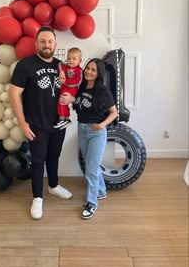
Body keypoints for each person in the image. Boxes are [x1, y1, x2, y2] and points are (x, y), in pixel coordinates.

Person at [9, 26, 74, 220]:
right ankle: (37, 197)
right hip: (36, 124)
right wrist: (22, 123)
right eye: (43, 41)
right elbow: (14, 93)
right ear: (36, 44)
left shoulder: (61, 66)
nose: (47, 45)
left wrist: (70, 98)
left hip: (58, 123)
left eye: (50, 41)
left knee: (54, 156)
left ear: (55, 44)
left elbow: (72, 88)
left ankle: (53, 186)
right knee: (38, 162)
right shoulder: (25, 65)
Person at [73, 58, 118, 219]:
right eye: (88, 68)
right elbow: (77, 104)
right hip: (82, 129)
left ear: (98, 73)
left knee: (91, 169)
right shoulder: (82, 87)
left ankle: (92, 203)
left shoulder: (103, 91)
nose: (89, 72)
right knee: (91, 165)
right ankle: (101, 191)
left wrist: (102, 124)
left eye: (93, 70)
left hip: (97, 132)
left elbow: (114, 112)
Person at [53, 47, 82, 130]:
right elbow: (59, 64)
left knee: (61, 102)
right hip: (65, 87)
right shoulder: (66, 66)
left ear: (79, 61)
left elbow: (77, 81)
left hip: (71, 89)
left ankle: (62, 118)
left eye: (74, 59)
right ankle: (66, 118)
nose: (71, 60)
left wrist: (65, 81)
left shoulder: (79, 70)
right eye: (69, 58)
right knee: (63, 103)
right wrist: (61, 72)